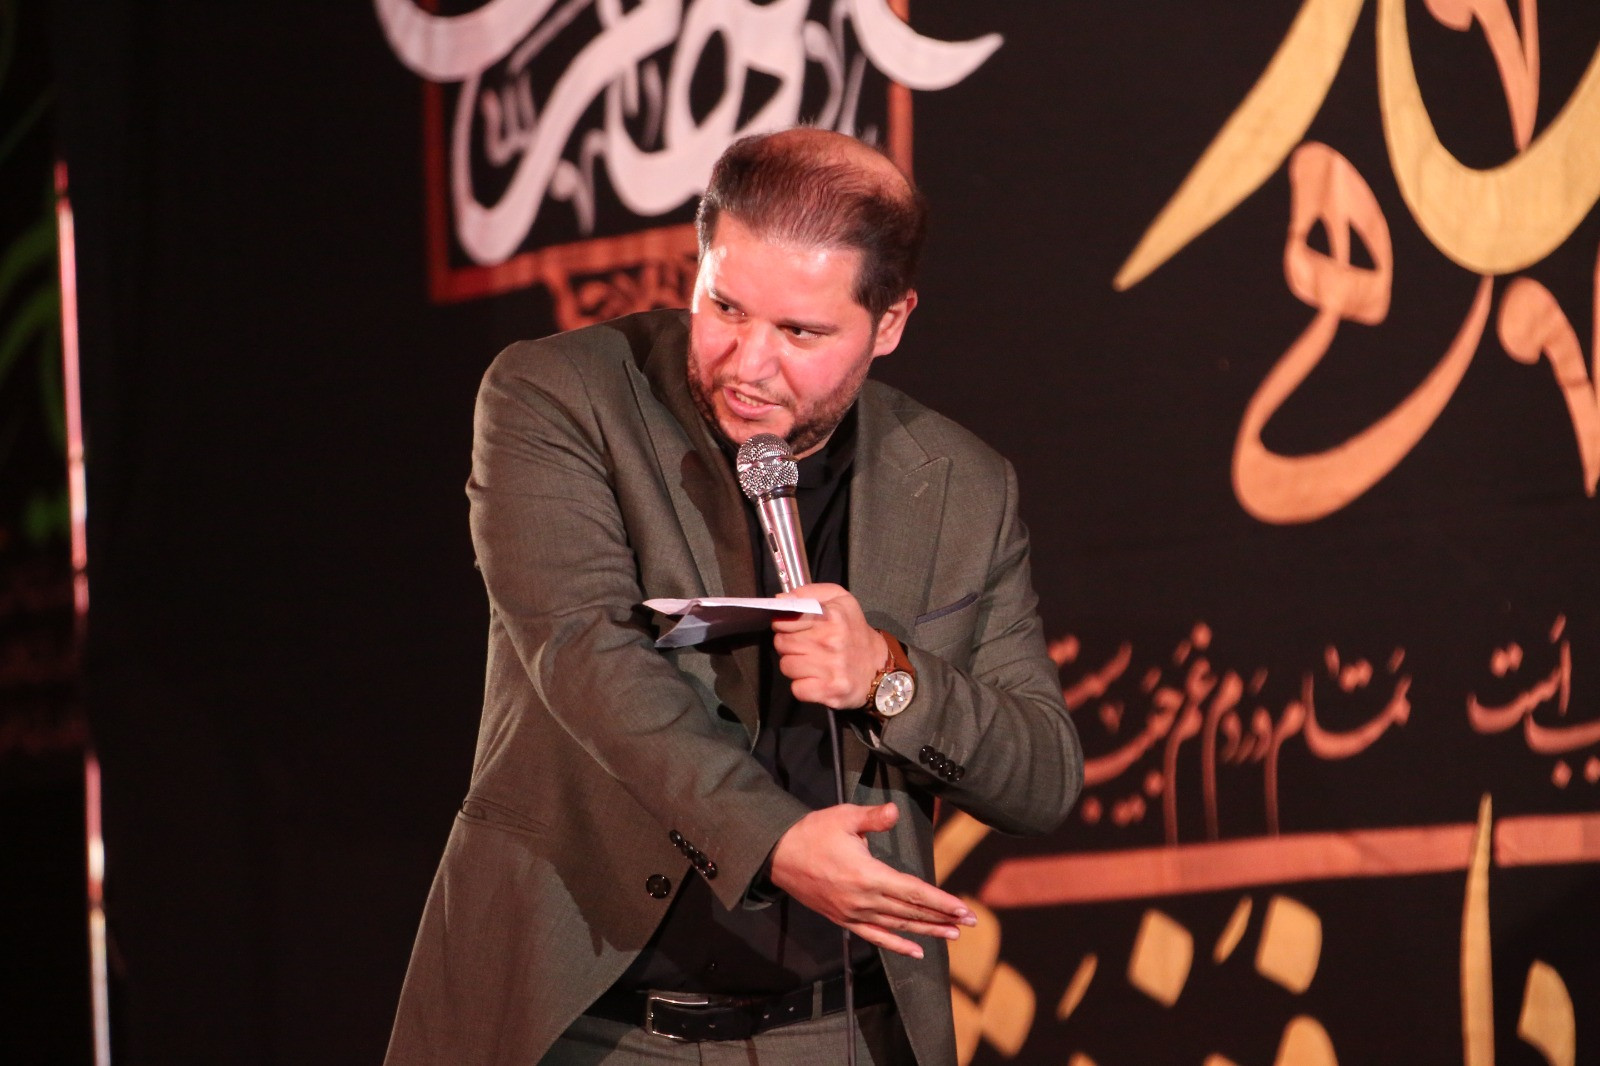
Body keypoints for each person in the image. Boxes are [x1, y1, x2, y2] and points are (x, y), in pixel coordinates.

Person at [385, 127, 1083, 1066]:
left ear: (890, 323)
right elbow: (586, 655)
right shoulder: (560, 396)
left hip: (838, 1031)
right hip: (592, 1022)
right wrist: (777, 842)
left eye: (800, 333)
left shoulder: (962, 484)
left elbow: (1042, 775)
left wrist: (890, 677)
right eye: (725, 306)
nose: (748, 364)